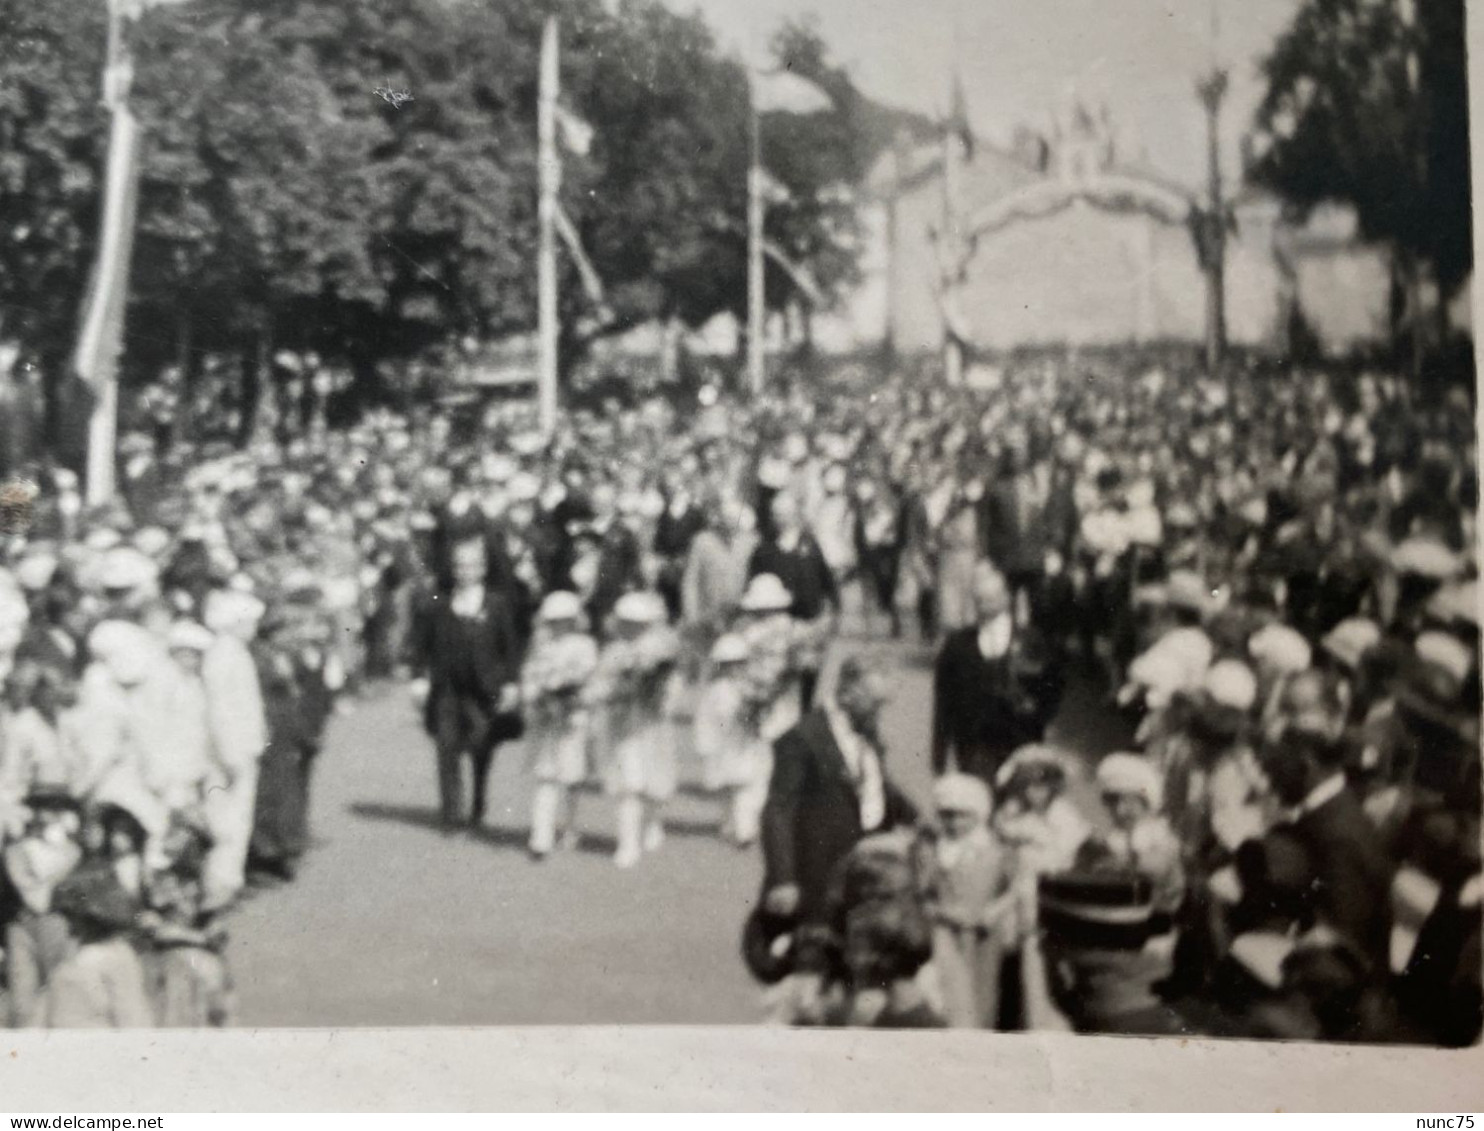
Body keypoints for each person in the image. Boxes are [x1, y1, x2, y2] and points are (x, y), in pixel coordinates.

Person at [760, 655, 919, 978]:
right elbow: (778, 809)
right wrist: (783, 879)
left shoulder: (864, 729)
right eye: (873, 703)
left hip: (865, 867)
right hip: (820, 869)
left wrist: (916, 817)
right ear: (847, 693)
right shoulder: (803, 737)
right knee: (817, 964)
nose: (878, 712)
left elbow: (876, 783)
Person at [410, 535, 524, 833]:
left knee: (481, 745)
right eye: (459, 566)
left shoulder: (497, 604)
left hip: (484, 687)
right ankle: (451, 814)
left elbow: (509, 647)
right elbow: (421, 644)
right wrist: (419, 678)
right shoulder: (439, 601)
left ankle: (477, 803)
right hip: (446, 686)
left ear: (483, 568)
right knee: (446, 746)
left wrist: (511, 683)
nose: (464, 571)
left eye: (471, 566)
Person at [931, 563, 1061, 785]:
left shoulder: (1031, 640)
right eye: (979, 599)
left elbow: (1053, 686)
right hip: (973, 746)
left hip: (1021, 744)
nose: (984, 606)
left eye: (990, 599)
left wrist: (1038, 721)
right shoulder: (958, 644)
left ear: (1006, 598)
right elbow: (944, 700)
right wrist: (939, 754)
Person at [586, 592, 682, 869]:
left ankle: (652, 823)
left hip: (651, 727)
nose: (632, 628)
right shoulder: (613, 652)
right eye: (626, 622)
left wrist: (661, 697)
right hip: (621, 727)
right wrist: (610, 692)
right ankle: (627, 843)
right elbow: (599, 683)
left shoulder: (660, 651)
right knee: (627, 784)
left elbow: (672, 687)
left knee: (653, 782)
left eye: (639, 623)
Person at [925, 773, 1016, 1029]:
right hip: (946, 934)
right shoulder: (936, 852)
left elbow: (1015, 889)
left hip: (984, 934)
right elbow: (925, 894)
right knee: (950, 995)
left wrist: (995, 911)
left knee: (982, 992)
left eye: (962, 815)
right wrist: (940, 912)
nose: (954, 823)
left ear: (979, 814)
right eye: (947, 816)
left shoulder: (994, 851)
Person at [520, 591, 599, 859]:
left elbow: (588, 675)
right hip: (546, 719)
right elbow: (530, 675)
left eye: (564, 620)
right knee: (546, 775)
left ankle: (570, 825)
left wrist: (570, 690)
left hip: (572, 717)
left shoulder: (585, 645)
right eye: (553, 621)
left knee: (572, 777)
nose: (558, 626)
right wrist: (536, 694)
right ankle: (540, 837)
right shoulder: (541, 645)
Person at [747, 493, 838, 710]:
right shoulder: (764, 549)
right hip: (777, 625)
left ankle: (803, 716)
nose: (780, 518)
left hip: (808, 623)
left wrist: (831, 612)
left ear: (795, 515)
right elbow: (752, 584)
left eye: (785, 513)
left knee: (808, 675)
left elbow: (826, 580)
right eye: (776, 514)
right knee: (778, 678)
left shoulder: (810, 545)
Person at [40, 862, 154, 1029]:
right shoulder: (74, 954)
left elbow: (133, 1019)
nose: (65, 923)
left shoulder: (114, 955)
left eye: (69, 915)